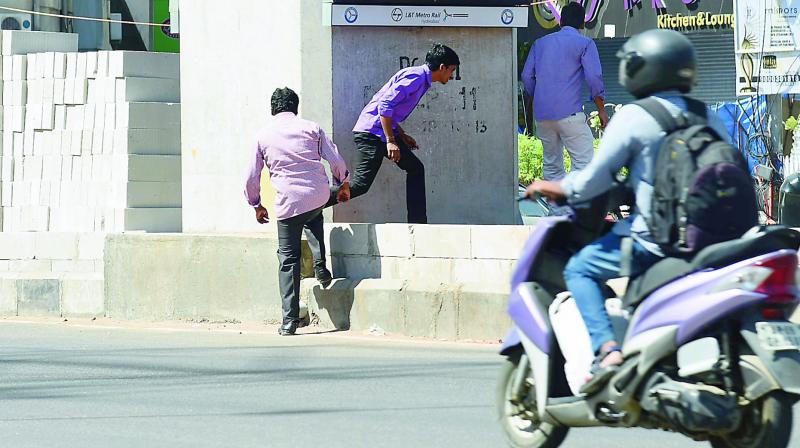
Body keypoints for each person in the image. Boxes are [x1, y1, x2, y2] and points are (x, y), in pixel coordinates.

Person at [526, 29, 731, 390]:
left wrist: (556, 188)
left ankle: (608, 352)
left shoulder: (636, 116)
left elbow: (593, 179)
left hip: (657, 240)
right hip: (717, 242)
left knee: (579, 269)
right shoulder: (709, 116)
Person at [245, 87, 351, 336]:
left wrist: (256, 204)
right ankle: (321, 265)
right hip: (317, 194)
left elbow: (252, 176)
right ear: (295, 106)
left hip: (288, 203)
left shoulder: (262, 136)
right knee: (314, 213)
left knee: (288, 260)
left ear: (273, 109)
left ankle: (289, 321)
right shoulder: (312, 128)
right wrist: (343, 182)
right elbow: (335, 160)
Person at [326, 43, 460, 224]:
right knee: (360, 185)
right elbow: (385, 105)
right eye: (451, 70)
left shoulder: (421, 79)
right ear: (442, 67)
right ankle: (311, 203)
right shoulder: (417, 76)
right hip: (372, 134)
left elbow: (391, 109)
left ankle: (418, 223)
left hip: (383, 132)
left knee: (415, 168)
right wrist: (391, 140)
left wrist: (401, 135)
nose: (451, 76)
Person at [521, 2, 607, 182]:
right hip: (570, 114)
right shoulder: (585, 43)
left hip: (543, 117)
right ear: (583, 23)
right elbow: (593, 77)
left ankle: (556, 209)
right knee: (585, 166)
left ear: (561, 22)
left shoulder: (540, 44)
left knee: (552, 168)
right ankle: (579, 208)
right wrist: (601, 110)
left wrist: (538, 98)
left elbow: (527, 76)